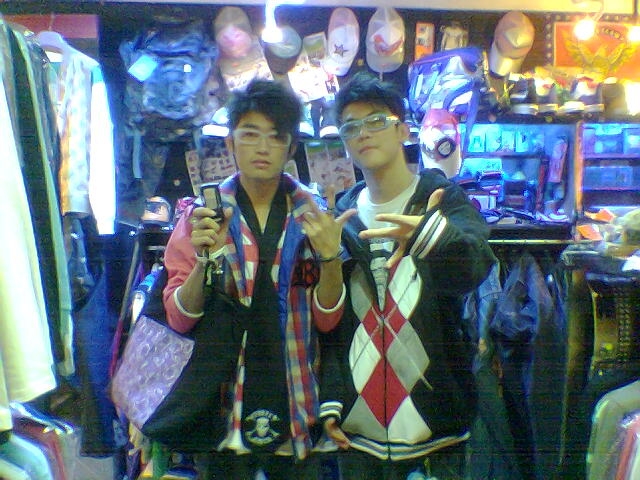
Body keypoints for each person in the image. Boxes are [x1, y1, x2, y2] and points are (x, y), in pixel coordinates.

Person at [162, 79, 353, 479]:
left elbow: (328, 321)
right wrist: (205, 260)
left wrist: (330, 257)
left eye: (275, 136)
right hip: (221, 409)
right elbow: (179, 318)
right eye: (250, 134)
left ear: (291, 147)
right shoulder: (201, 218)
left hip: (297, 403)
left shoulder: (316, 217)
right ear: (230, 143)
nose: (263, 147)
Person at [318, 72, 497, 480]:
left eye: (376, 120)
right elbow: (332, 325)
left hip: (437, 428)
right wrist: (331, 399)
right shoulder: (341, 218)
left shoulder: (442, 200)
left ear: (402, 130)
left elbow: (476, 267)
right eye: (350, 127)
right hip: (357, 432)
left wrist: (431, 236)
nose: (363, 133)